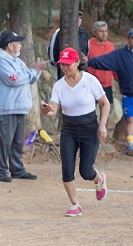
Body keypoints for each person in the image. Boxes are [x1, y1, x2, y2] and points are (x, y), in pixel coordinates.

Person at [40, 48, 110, 216]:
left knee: (85, 171)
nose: (65, 67)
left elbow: (105, 104)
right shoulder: (59, 86)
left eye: (68, 64)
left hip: (89, 129)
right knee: (67, 169)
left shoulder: (90, 80)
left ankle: (98, 179)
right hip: (69, 130)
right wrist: (46, 111)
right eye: (62, 65)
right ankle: (75, 204)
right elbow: (53, 110)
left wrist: (102, 125)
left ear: (77, 62)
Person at [86, 28, 133, 158]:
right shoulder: (120, 54)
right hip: (129, 95)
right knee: (131, 120)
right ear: (128, 40)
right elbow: (103, 60)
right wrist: (88, 61)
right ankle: (131, 146)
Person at [0, 31, 46, 182]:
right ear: (10, 45)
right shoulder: (2, 60)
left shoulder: (17, 61)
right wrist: (33, 71)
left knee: (17, 141)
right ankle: (1, 170)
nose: (20, 44)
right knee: (4, 141)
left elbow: (28, 78)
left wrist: (35, 71)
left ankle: (17, 169)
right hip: (7, 107)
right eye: (18, 42)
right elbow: (14, 79)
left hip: (19, 107)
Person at [51, 11, 89, 79]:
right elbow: (53, 50)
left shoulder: (84, 33)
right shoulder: (59, 32)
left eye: (80, 18)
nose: (78, 19)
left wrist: (84, 61)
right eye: (76, 17)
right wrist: (59, 64)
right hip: (64, 69)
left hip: (81, 69)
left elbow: (87, 50)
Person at [87, 21, 117, 105]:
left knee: (107, 111)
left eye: (105, 31)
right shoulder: (88, 45)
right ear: (95, 33)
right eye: (101, 31)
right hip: (93, 84)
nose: (104, 34)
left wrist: (117, 77)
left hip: (107, 84)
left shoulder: (110, 46)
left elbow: (114, 63)